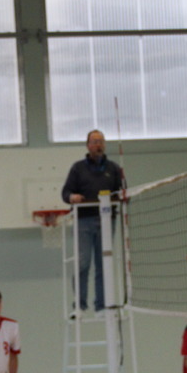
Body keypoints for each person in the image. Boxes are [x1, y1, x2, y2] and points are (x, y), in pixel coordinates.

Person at [61, 130, 125, 315]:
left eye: (101, 141)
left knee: (104, 264)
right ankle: (80, 305)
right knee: (82, 263)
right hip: (84, 221)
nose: (98, 145)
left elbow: (122, 191)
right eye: (95, 141)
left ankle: (101, 305)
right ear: (88, 145)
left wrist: (123, 196)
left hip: (107, 220)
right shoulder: (78, 168)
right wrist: (72, 197)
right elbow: (65, 193)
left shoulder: (114, 168)